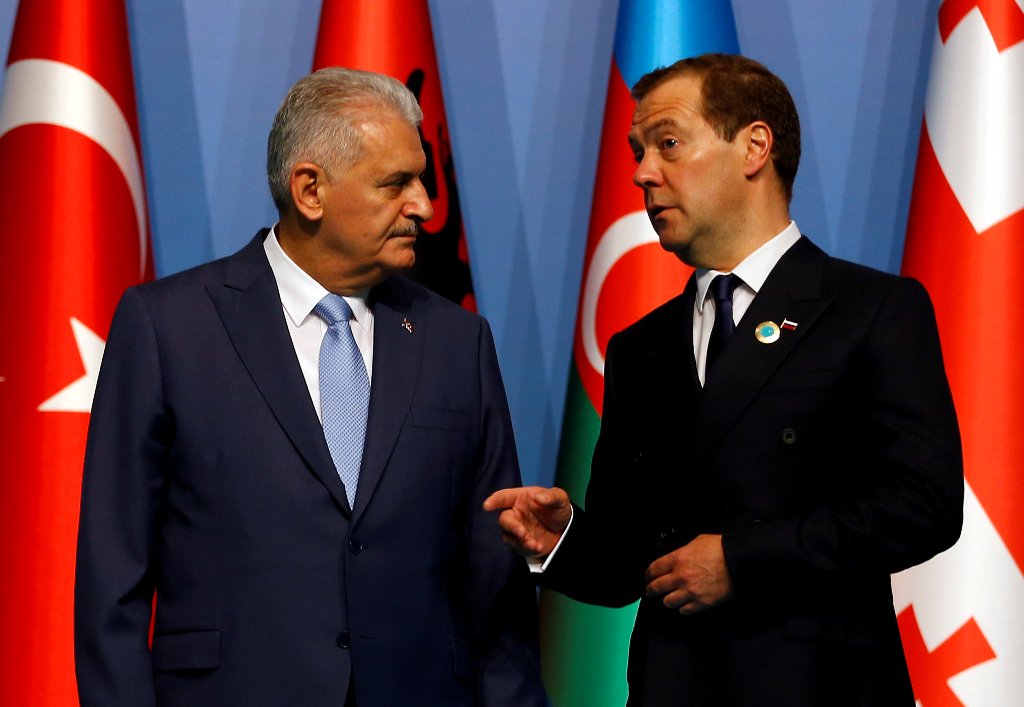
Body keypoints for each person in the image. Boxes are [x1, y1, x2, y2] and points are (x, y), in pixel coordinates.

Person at [485, 53, 963, 706]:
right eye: (638, 152)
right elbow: (629, 562)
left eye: (668, 144)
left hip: (820, 686)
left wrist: (742, 560)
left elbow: (923, 506)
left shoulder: (871, 309)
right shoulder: (639, 348)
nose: (642, 173)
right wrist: (563, 538)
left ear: (754, 147)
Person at [75, 67, 544, 707]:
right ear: (310, 190)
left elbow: (495, 575)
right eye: (396, 183)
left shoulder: (458, 342)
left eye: (422, 180)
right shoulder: (168, 326)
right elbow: (113, 578)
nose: (425, 206)